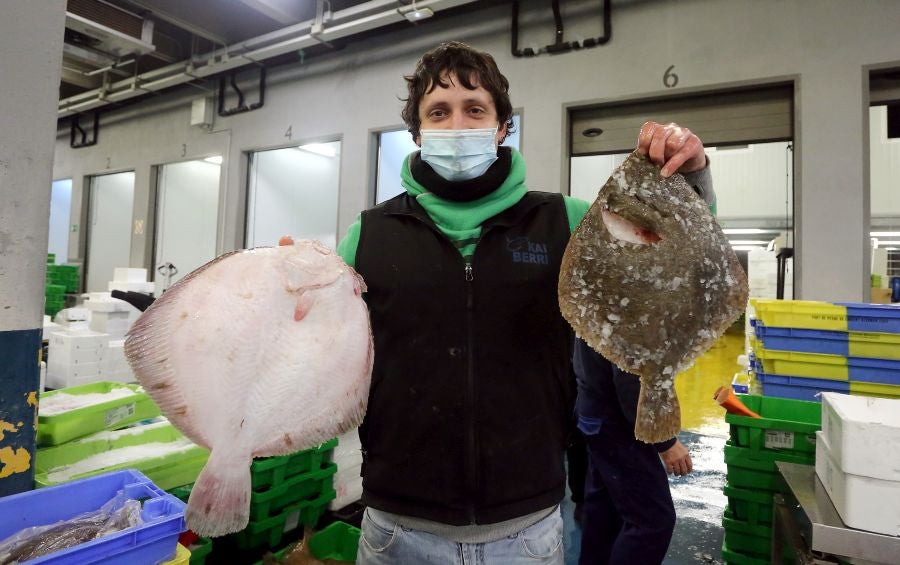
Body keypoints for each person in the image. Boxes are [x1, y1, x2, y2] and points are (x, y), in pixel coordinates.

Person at [284, 41, 711, 564]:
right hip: (397, 529)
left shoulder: (568, 223)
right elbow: (323, 359)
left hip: (525, 529)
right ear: (417, 134)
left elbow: (671, 256)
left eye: (475, 110)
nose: (457, 124)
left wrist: (689, 174)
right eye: (438, 113)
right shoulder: (366, 236)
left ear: (503, 126)